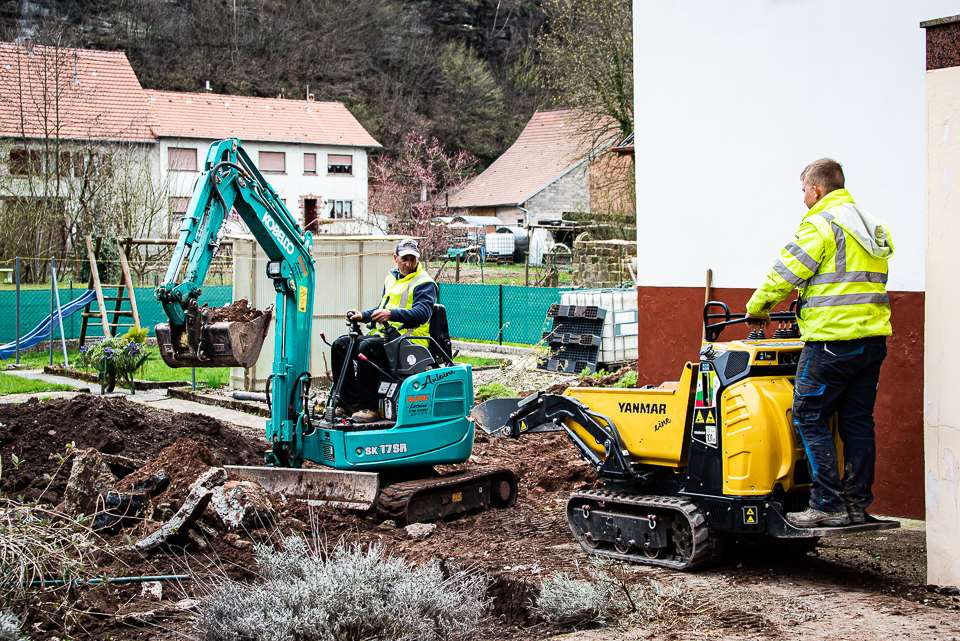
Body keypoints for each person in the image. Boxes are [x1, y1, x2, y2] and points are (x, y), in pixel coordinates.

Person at [744, 158, 893, 528]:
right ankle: (857, 504)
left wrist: (757, 307)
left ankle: (826, 504)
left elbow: (785, 273)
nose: (804, 199)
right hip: (872, 339)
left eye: (803, 191)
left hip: (831, 341)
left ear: (817, 188)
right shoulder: (870, 225)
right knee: (858, 421)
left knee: (809, 416)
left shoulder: (822, 224)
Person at [330, 238, 437, 422]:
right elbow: (383, 307)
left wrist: (391, 314)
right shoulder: (391, 278)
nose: (409, 263)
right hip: (387, 338)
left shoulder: (424, 283)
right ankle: (348, 403)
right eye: (405, 259)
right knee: (340, 345)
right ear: (395, 258)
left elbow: (422, 313)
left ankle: (368, 407)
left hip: (409, 342)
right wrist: (363, 315)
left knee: (368, 348)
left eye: (413, 259)